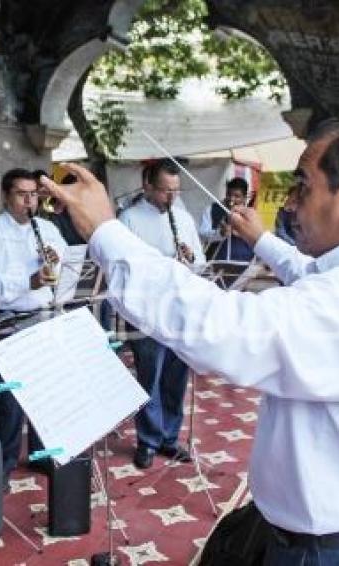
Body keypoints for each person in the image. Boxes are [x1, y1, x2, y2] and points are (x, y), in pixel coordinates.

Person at [42, 119, 339, 565]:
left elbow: (219, 327)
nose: (293, 203)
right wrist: (262, 241)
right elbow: (313, 278)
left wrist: (105, 232)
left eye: (304, 186)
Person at [0, 168, 68, 486]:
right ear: (6, 196)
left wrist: (56, 262)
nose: (29, 201)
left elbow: (67, 267)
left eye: (34, 195)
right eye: (22, 194)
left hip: (44, 317)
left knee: (45, 394)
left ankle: (41, 456)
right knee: (9, 401)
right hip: (8, 319)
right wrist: (28, 280)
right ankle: (5, 462)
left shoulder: (48, 229)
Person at [118, 159, 204, 468]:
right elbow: (123, 270)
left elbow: (200, 265)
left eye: (176, 191)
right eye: (166, 191)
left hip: (179, 312)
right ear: (148, 186)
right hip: (148, 315)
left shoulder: (184, 218)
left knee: (175, 378)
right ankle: (148, 440)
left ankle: (170, 437)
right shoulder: (129, 219)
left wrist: (191, 260)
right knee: (148, 378)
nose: (172, 198)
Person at [199, 177, 255, 262]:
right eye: (229, 194)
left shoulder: (250, 214)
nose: (231, 199)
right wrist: (219, 233)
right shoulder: (212, 209)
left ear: (244, 197)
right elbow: (202, 235)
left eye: (237, 196)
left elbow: (256, 239)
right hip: (216, 263)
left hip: (245, 263)